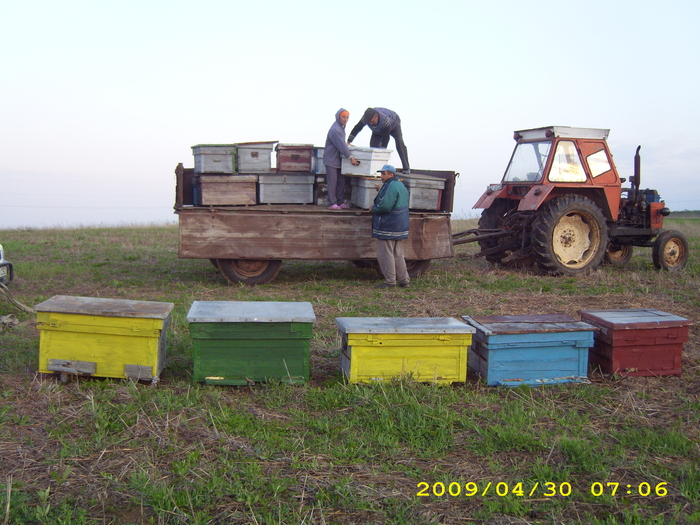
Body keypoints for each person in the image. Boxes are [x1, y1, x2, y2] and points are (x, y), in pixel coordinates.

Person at [371, 164, 410, 289]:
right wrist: (381, 190)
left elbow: (385, 207)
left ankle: (390, 281)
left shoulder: (391, 186)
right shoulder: (399, 185)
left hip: (389, 225)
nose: (381, 176)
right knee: (398, 253)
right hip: (399, 224)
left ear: (391, 175)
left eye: (384, 174)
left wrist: (373, 209)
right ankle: (404, 280)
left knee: (385, 254)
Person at [347, 107, 410, 173]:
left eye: (372, 121)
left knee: (399, 142)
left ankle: (406, 168)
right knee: (373, 147)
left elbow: (386, 137)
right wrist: (349, 141)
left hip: (394, 124)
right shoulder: (365, 119)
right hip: (377, 129)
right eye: (369, 122)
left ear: (376, 116)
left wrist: (383, 151)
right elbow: (357, 128)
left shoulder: (385, 120)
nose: (370, 123)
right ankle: (375, 169)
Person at [324, 108, 359, 210]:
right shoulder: (335, 130)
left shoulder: (341, 128)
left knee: (341, 181)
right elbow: (341, 146)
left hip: (339, 160)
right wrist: (351, 157)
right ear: (338, 117)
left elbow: (342, 143)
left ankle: (340, 202)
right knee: (333, 182)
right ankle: (332, 203)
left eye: (347, 117)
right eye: (343, 117)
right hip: (331, 159)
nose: (345, 119)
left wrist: (347, 144)